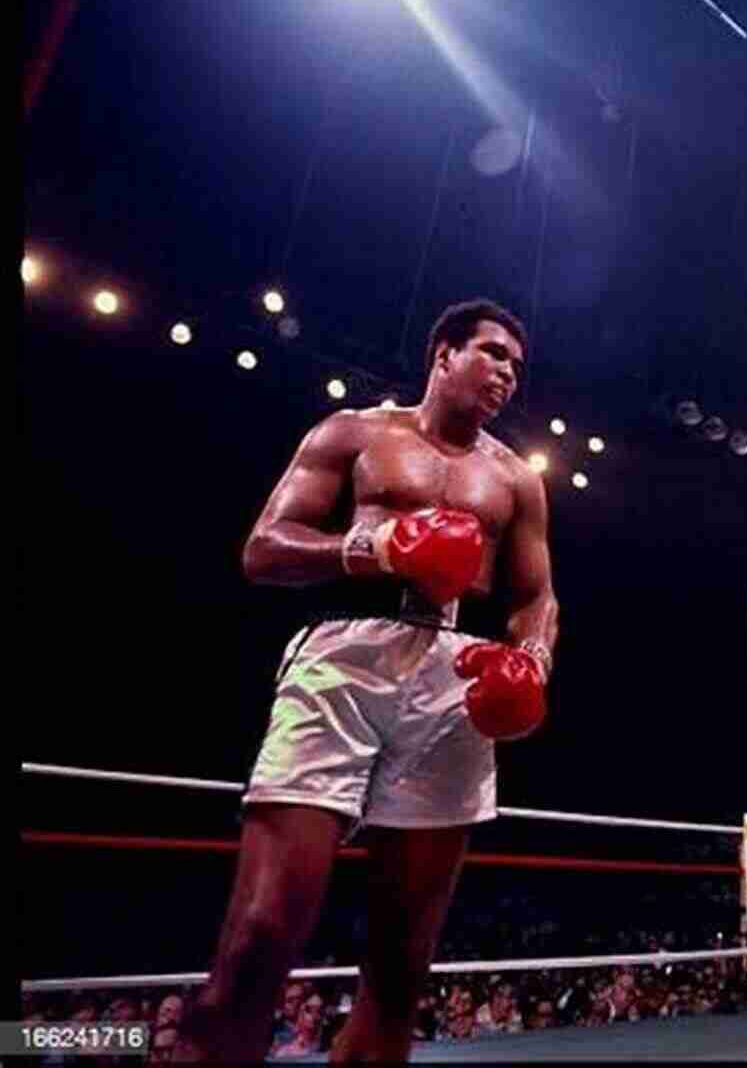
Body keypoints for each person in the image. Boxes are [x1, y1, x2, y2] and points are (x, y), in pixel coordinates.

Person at [174, 298, 559, 1064]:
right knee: (257, 937)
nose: (508, 373)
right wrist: (378, 546)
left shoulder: (516, 478)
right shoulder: (354, 432)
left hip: (457, 674)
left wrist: (533, 659)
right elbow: (263, 548)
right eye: (492, 352)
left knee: (401, 969)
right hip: (342, 661)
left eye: (516, 364)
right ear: (442, 355)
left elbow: (535, 597)